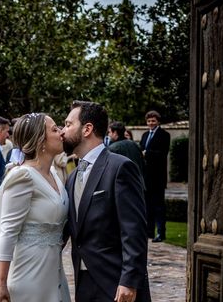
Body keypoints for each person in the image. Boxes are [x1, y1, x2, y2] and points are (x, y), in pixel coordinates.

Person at [0, 112, 70, 302]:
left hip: (53, 272)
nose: (61, 133)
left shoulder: (53, 175)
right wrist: (0, 283)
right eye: (54, 129)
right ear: (40, 140)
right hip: (28, 272)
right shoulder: (23, 176)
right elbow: (7, 230)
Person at [62, 100, 150, 302]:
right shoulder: (73, 176)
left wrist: (129, 280)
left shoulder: (120, 167)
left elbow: (134, 229)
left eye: (68, 124)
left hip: (115, 282)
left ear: (87, 129)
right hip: (83, 281)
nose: (62, 131)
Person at [139, 110, 171, 242]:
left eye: (153, 121)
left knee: (159, 207)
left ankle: (161, 233)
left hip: (158, 176)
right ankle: (149, 232)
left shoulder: (164, 135)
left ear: (158, 121)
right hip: (146, 177)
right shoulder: (145, 135)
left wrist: (147, 153)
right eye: (149, 121)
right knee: (147, 206)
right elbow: (140, 150)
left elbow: (163, 154)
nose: (151, 123)